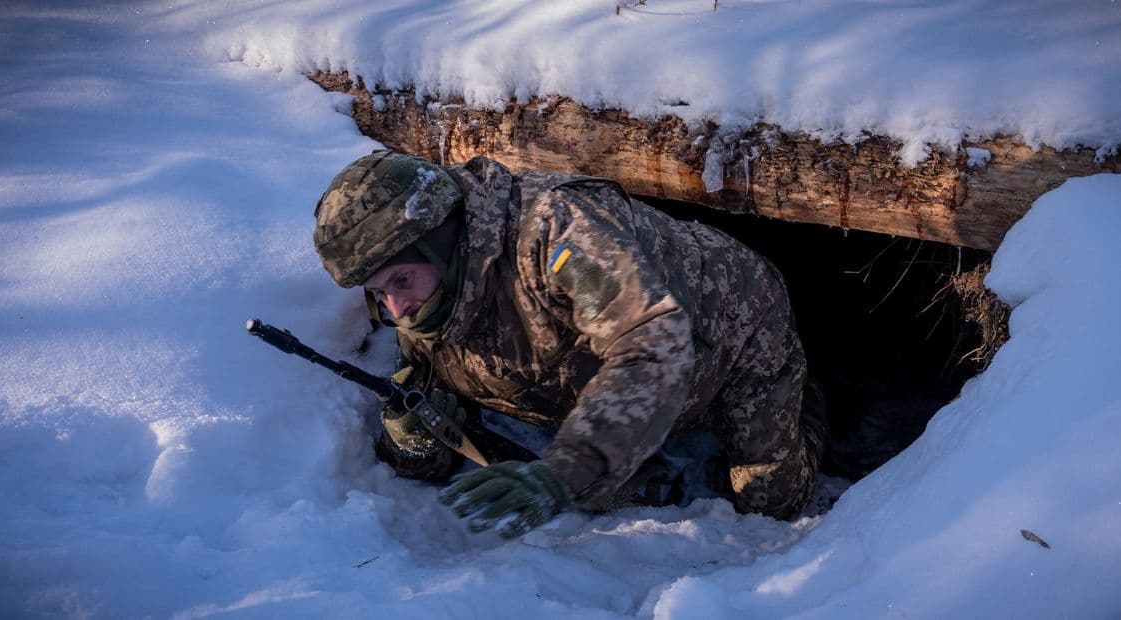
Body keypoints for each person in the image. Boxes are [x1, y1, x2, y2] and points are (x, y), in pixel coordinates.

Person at [313, 150, 826, 538]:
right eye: (379, 293)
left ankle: (808, 394)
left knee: (771, 506)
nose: (396, 310)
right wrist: (412, 439)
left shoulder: (557, 232)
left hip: (735, 330)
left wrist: (563, 474)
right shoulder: (424, 304)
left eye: (402, 280)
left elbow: (652, 343)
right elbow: (432, 445)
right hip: (606, 376)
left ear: (442, 245)